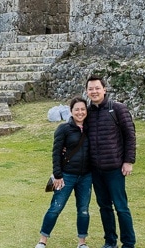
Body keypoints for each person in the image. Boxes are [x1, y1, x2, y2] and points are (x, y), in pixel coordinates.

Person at [85, 75, 136, 248]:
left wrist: (128, 161)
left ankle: (128, 243)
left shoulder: (117, 109)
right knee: (104, 207)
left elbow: (130, 135)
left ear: (104, 89)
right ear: (87, 91)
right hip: (96, 170)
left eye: (97, 88)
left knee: (121, 207)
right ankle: (110, 241)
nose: (94, 92)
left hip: (115, 168)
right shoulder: (87, 112)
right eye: (90, 89)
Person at [35, 97, 92, 248]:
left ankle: (82, 242)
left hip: (86, 176)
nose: (80, 112)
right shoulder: (63, 129)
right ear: (71, 111)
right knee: (56, 207)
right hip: (66, 175)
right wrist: (58, 175)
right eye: (76, 109)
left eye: (83, 109)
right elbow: (56, 153)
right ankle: (42, 240)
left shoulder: (91, 128)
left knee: (84, 209)